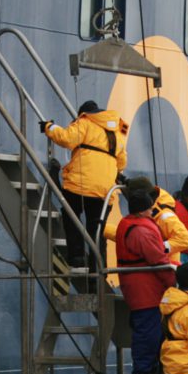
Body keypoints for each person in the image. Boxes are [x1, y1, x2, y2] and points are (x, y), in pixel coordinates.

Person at [40, 100, 129, 269]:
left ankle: (77, 257)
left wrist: (49, 127)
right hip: (105, 191)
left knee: (71, 217)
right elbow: (122, 163)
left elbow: (66, 138)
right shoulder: (117, 132)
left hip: (79, 185)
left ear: (84, 113)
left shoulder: (85, 122)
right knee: (97, 230)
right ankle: (98, 270)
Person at [115, 189, 175, 374]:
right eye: (149, 209)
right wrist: (173, 282)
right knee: (148, 334)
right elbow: (158, 260)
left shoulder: (132, 226)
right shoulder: (142, 232)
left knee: (149, 332)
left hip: (140, 291)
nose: (152, 212)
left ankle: (147, 371)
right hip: (146, 293)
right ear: (141, 212)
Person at [104, 176, 188, 265]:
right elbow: (130, 236)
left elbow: (184, 240)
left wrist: (159, 249)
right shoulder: (151, 209)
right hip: (156, 265)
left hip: (165, 266)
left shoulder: (164, 217)